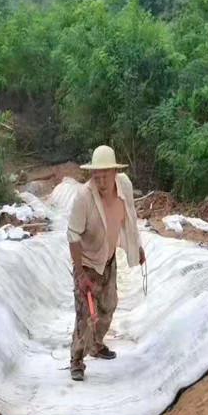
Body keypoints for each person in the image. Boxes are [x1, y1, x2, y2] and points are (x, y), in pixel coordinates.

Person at [67, 145, 146, 382]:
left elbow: (130, 219)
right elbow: (72, 236)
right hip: (88, 262)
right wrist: (81, 275)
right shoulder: (84, 197)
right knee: (85, 317)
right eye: (96, 175)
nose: (100, 181)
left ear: (114, 172)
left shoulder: (125, 186)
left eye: (105, 175)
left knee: (109, 305)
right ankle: (76, 361)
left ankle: (97, 345)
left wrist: (137, 246)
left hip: (108, 258)